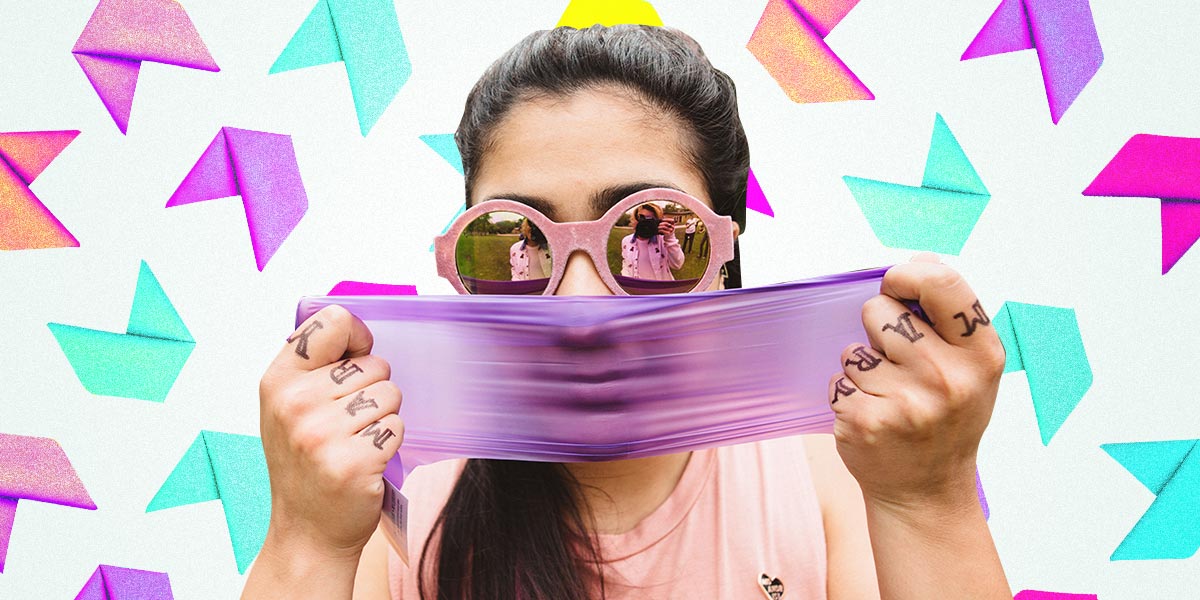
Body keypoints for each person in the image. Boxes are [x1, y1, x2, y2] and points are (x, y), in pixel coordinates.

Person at [246, 25, 1010, 599]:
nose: (581, 307)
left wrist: (927, 497)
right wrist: (305, 536)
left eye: (651, 232)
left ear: (724, 252)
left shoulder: (830, 478)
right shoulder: (404, 510)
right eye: (513, 242)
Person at [619, 203, 685, 281]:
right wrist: (626, 278)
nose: (645, 223)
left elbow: (677, 265)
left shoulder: (663, 240)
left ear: (658, 222)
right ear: (634, 219)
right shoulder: (626, 241)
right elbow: (626, 263)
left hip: (662, 289)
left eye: (650, 219)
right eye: (641, 218)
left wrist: (670, 238)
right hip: (636, 289)